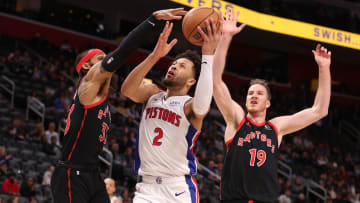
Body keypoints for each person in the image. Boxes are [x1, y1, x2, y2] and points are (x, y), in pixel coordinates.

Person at [50, 8, 188, 203]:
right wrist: (152, 20)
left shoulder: (103, 98)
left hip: (92, 173)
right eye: (100, 59)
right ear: (87, 67)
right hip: (71, 173)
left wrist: (155, 55)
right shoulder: (88, 87)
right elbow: (123, 52)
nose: (105, 62)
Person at [212, 10, 331, 202]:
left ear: (268, 103)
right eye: (250, 93)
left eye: (259, 93)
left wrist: (324, 68)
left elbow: (320, 110)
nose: (253, 96)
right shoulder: (236, 120)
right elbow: (216, 82)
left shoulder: (276, 128)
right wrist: (225, 37)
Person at [121, 15, 221, 202]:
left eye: (182, 66)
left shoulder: (189, 105)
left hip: (177, 188)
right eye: (174, 63)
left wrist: (208, 56)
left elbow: (202, 106)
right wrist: (154, 56)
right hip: (146, 188)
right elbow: (127, 90)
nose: (174, 66)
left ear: (192, 81)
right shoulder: (152, 94)